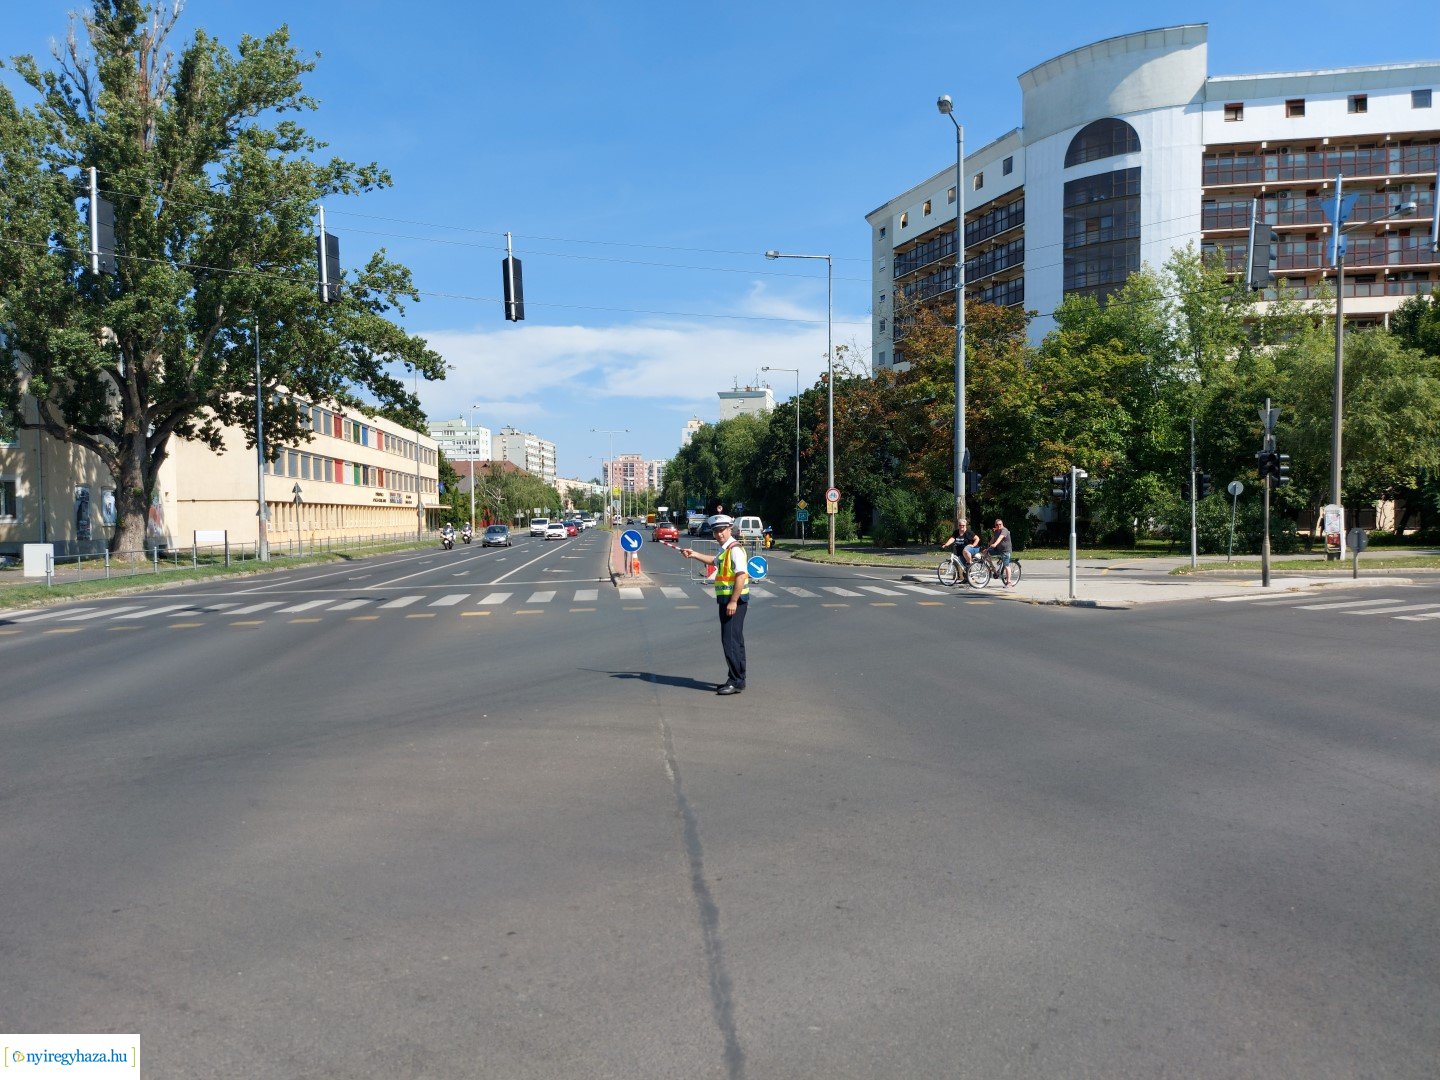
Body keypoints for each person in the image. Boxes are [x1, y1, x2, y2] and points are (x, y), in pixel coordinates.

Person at [680, 514, 749, 695]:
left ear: (729, 529)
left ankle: (735, 681)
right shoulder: (725, 549)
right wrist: (693, 554)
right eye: (716, 531)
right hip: (728, 600)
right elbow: (713, 561)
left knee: (730, 642)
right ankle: (738, 679)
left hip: (734, 601)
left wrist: (733, 601)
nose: (719, 534)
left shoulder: (734, 549)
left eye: (722, 530)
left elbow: (741, 575)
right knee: (736, 641)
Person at [986, 518, 1014, 588]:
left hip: (1005, 550)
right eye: (997, 525)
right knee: (986, 553)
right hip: (998, 549)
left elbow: (1000, 538)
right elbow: (993, 539)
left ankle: (1009, 582)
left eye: (1000, 524)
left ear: (1002, 524)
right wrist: (988, 548)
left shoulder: (1004, 530)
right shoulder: (996, 531)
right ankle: (994, 570)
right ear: (995, 525)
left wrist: (995, 544)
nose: (998, 526)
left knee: (1006, 565)